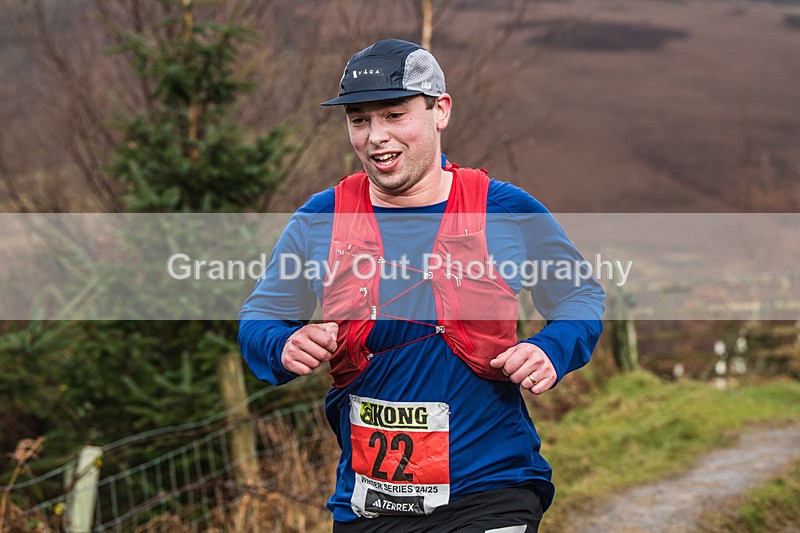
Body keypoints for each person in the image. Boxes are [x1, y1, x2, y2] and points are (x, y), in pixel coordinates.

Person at [239, 39, 605, 532]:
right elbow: (259, 318)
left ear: (440, 111)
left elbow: (579, 296)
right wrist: (282, 344)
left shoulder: (503, 210)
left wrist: (552, 348)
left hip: (491, 489)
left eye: (394, 115)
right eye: (359, 120)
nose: (375, 137)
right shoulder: (319, 219)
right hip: (371, 504)